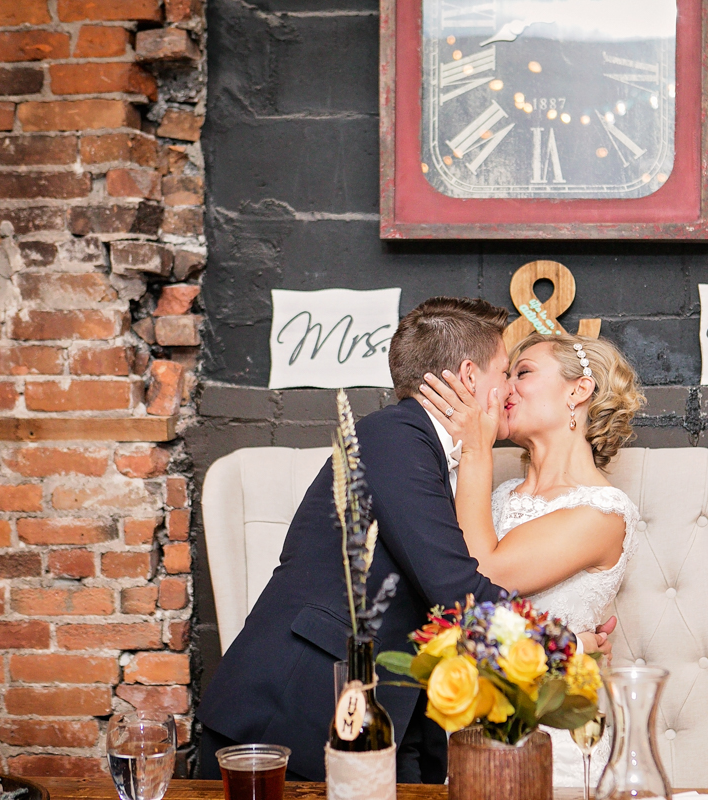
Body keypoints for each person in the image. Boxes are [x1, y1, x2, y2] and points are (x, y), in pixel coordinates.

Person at [196, 298, 612, 784]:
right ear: (470, 376)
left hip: (383, 721)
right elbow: (455, 588)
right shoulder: (392, 438)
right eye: (505, 373)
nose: (508, 391)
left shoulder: (430, 453)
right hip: (291, 709)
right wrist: (564, 645)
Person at [416, 332, 644, 787]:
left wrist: (476, 448)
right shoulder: (495, 498)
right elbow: (449, 599)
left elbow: (483, 577)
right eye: (506, 375)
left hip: (554, 741)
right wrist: (574, 642)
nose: (506, 388)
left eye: (523, 373)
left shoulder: (604, 511)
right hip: (469, 734)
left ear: (579, 390)